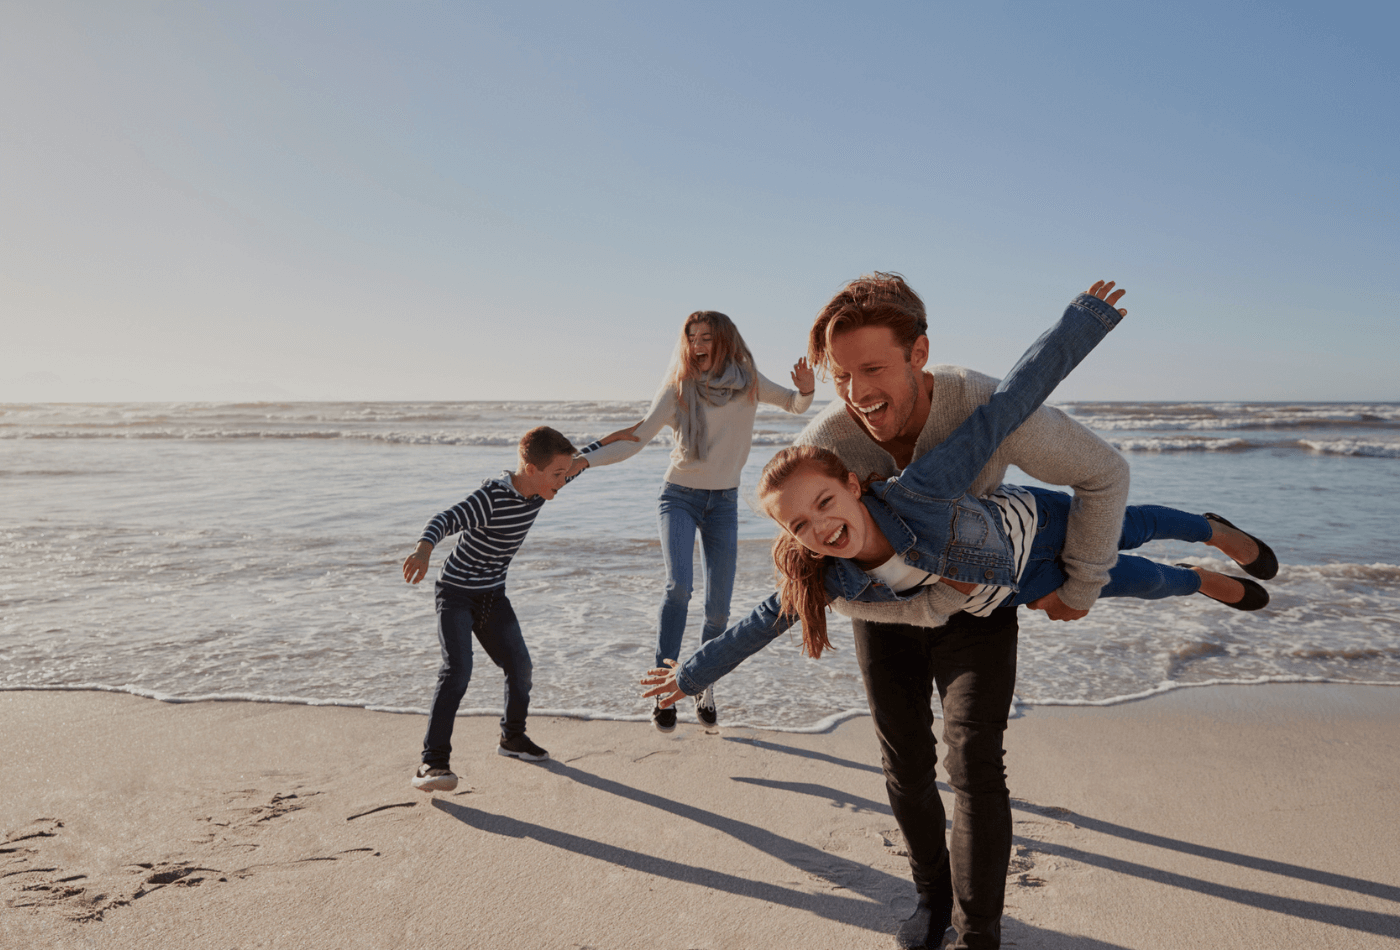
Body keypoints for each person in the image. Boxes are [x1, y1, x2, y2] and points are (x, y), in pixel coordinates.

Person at [643, 277, 1146, 950]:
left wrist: (1082, 586)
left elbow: (1077, 448)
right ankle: (932, 900)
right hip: (882, 615)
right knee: (905, 766)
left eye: (873, 368)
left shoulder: (967, 410)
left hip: (975, 606)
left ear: (920, 354)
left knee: (974, 764)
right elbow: (780, 602)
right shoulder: (831, 446)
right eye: (841, 375)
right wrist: (696, 672)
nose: (856, 391)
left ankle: (979, 931)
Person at [580, 310, 815, 733]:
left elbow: (795, 406)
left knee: (719, 611)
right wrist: (583, 461)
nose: (698, 344)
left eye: (706, 336)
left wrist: (806, 390)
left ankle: (702, 683)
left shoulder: (749, 382)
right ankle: (661, 690)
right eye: (692, 337)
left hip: (723, 503)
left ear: (723, 339)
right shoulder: (679, 390)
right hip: (679, 497)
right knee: (679, 588)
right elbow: (637, 437)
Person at [402, 425, 622, 793]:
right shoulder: (490, 498)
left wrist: (623, 436)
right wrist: (424, 550)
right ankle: (432, 762)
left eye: (564, 474)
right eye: (557, 474)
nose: (563, 480)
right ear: (531, 470)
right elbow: (444, 519)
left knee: (520, 666)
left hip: (492, 596)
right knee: (457, 671)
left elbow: (586, 457)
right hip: (456, 593)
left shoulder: (544, 485)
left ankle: (512, 739)